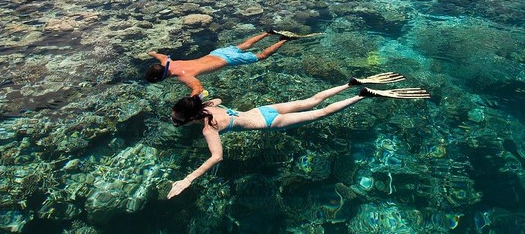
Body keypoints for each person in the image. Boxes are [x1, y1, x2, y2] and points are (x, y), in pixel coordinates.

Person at [165, 73, 429, 198]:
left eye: (178, 122)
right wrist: (200, 97)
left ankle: (361, 96)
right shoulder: (211, 106)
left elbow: (217, 157)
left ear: (190, 118)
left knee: (320, 114)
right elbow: (217, 97)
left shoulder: (208, 128)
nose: (176, 123)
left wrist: (188, 179)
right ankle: (350, 83)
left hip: (271, 122)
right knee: (312, 100)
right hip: (263, 109)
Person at [145, 31, 290, 98]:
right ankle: (268, 33)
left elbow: (198, 88)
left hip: (227, 60)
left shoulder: (183, 76)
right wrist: (150, 53)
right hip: (217, 53)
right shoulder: (167, 62)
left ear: (162, 78)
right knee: (244, 45)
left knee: (261, 56)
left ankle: (284, 40)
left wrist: (192, 100)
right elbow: (160, 56)